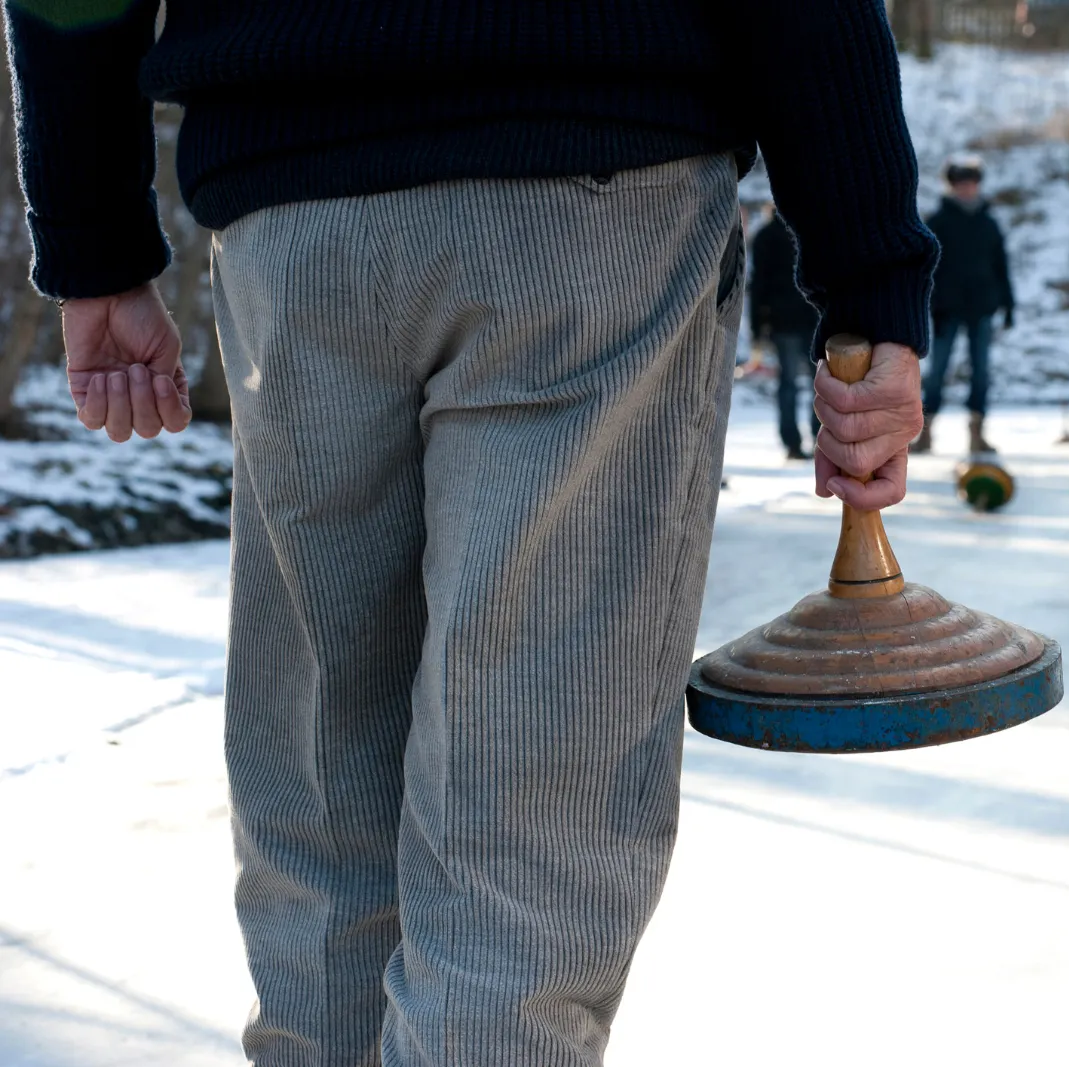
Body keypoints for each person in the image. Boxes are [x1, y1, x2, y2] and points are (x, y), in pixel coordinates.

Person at [4, 2, 934, 1063]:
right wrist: (870, 282)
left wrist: (93, 247)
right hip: (584, 192)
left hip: (297, 218)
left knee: (322, 802)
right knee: (523, 823)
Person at [913, 154, 1014, 456]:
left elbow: (1001, 266)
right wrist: (927, 304)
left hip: (982, 307)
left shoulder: (989, 223)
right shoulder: (937, 222)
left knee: (981, 371)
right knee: (938, 370)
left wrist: (1009, 304)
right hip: (946, 309)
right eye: (960, 184)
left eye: (971, 183)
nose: (966, 189)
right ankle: (926, 432)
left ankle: (977, 432)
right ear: (951, 186)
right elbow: (924, 269)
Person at [748, 207, 821, 460]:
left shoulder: (766, 236)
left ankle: (792, 442)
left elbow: (758, 286)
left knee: (788, 383)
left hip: (784, 321)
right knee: (821, 384)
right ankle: (821, 439)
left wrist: (757, 328)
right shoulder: (813, 232)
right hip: (814, 318)